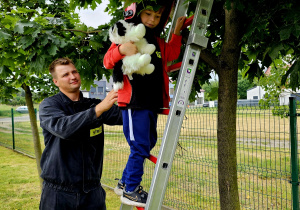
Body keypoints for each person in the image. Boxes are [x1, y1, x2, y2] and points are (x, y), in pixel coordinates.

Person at [103, 1, 186, 207]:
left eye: (157, 17)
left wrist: (176, 32)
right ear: (137, 14)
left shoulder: (156, 41)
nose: (152, 20)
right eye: (148, 14)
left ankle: (124, 183)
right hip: (134, 102)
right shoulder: (129, 36)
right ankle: (131, 190)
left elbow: (172, 55)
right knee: (139, 145)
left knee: (147, 142)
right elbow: (107, 61)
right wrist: (121, 49)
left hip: (151, 103)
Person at [39, 57, 122, 210]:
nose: (72, 76)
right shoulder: (49, 105)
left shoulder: (93, 105)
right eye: (65, 75)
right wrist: (98, 110)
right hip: (58, 194)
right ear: (56, 81)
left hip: (92, 192)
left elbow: (128, 117)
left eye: (74, 72)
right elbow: (63, 128)